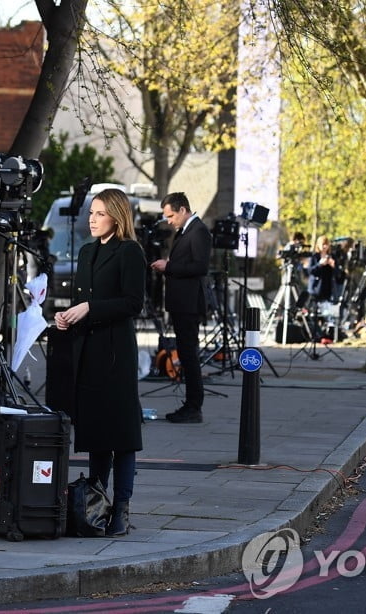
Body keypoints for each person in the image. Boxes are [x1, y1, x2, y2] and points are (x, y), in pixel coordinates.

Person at [54, 188, 145, 537]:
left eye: (100, 213)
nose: (92, 219)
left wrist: (91, 309)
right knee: (95, 434)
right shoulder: (87, 252)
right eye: (91, 213)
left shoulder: (130, 252)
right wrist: (67, 317)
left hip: (116, 353)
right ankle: (96, 501)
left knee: (120, 433)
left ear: (117, 217)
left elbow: (132, 303)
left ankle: (121, 506)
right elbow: (83, 301)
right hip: (87, 352)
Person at [150, 192, 211, 424]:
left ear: (184, 210)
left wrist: (170, 266)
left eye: (171, 215)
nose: (169, 221)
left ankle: (194, 406)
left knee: (189, 354)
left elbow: (200, 266)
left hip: (189, 304)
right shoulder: (186, 231)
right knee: (185, 354)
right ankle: (191, 404)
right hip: (181, 303)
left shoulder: (199, 231)